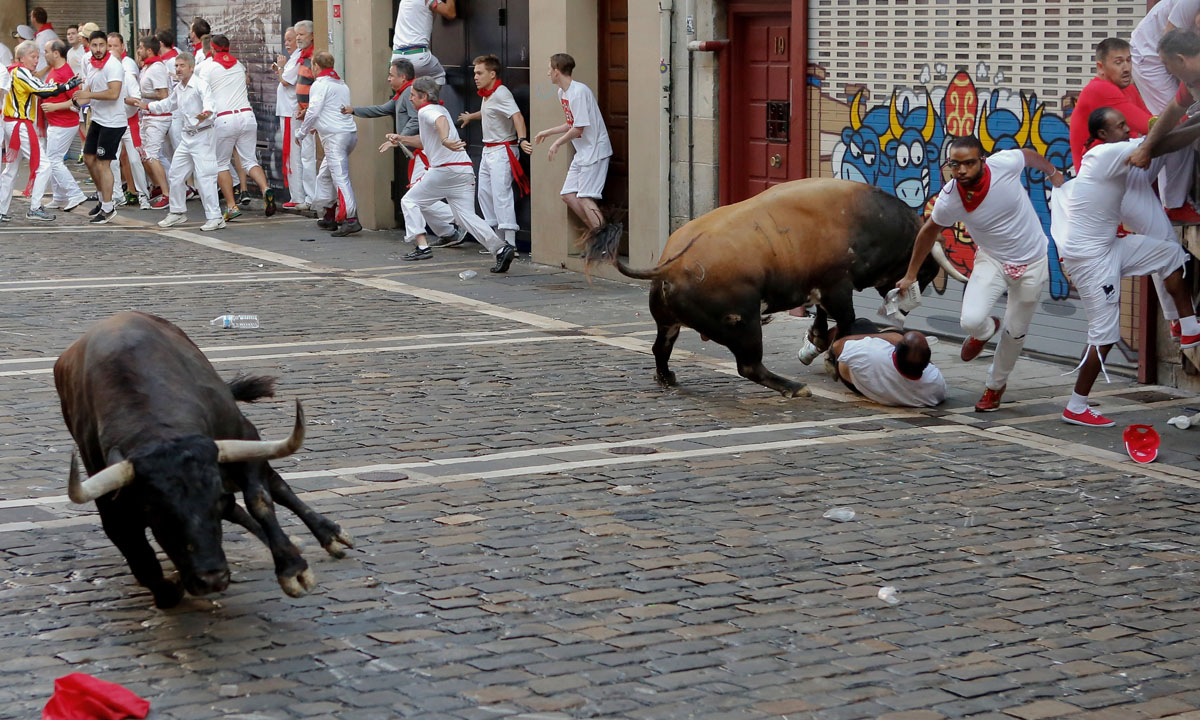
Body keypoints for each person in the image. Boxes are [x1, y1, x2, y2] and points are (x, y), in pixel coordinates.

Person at [1052, 107, 1200, 427]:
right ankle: (1076, 406)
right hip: (1091, 260)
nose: (1127, 131)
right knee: (1105, 336)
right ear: (1103, 134)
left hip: (1110, 247)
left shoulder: (1111, 153)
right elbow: (1162, 144)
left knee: (1171, 254)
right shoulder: (1106, 153)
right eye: (1120, 127)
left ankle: (1189, 329)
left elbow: (1158, 143)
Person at [894, 137, 1063, 412]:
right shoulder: (950, 199)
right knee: (970, 320)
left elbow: (1029, 156)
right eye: (955, 164)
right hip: (992, 260)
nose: (961, 170)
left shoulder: (1003, 165)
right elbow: (928, 232)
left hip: (1033, 262)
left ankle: (995, 387)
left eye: (969, 163)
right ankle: (985, 330)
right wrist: (910, 275)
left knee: (1015, 333)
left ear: (982, 160)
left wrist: (1052, 173)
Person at [399, 77, 516, 272]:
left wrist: (445, 139)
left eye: (412, 95)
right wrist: (400, 138)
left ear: (424, 96)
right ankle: (501, 248)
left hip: (444, 169)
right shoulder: (440, 108)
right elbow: (426, 139)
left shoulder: (427, 110)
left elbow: (440, 122)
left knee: (409, 201)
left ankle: (421, 246)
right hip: (463, 169)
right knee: (465, 217)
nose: (410, 99)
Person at [345, 57, 461, 246]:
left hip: (424, 154)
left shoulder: (409, 94)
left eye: (391, 76)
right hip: (419, 153)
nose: (388, 79)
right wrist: (354, 110)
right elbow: (382, 109)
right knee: (416, 197)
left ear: (403, 76)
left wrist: (399, 138)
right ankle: (448, 231)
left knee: (414, 197)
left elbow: (416, 119)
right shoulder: (402, 95)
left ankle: (457, 221)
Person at [1131, 1, 1200, 222]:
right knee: (1181, 121)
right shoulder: (1189, 76)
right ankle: (1172, 204)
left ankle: (1173, 202)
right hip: (1150, 51)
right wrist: (1149, 147)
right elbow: (1173, 112)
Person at [141, 52, 223, 231]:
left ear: (191, 67)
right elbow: (168, 104)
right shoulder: (179, 88)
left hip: (203, 135)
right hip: (188, 136)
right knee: (176, 174)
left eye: (181, 66)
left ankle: (215, 217)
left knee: (205, 177)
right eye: (176, 66)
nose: (177, 69)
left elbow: (210, 105)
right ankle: (177, 212)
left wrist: (206, 114)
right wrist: (147, 106)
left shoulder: (200, 85)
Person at [0, 40, 79, 223]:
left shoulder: (13, 70)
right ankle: (35, 207)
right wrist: (66, 87)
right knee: (44, 166)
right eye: (33, 56)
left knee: (10, 170)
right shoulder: (21, 73)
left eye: (37, 56)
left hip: (12, 124)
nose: (37, 60)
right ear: (22, 57)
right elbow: (41, 89)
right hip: (20, 125)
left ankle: (2, 209)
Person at [458, 54, 531, 252]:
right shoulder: (488, 94)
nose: (475, 76)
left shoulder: (501, 93)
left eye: (479, 73)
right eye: (474, 73)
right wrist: (471, 117)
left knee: (501, 195)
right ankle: (498, 243)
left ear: (492, 74)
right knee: (484, 193)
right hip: (489, 150)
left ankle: (510, 243)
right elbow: (490, 111)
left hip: (502, 150)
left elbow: (517, 116)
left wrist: (523, 139)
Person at [535, 53, 612, 232]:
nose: (547, 73)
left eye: (549, 69)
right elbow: (572, 123)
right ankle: (596, 231)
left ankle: (605, 241)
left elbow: (579, 128)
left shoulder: (578, 92)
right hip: (583, 151)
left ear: (556, 71)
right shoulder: (562, 92)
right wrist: (548, 132)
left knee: (585, 197)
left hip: (595, 150)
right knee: (569, 195)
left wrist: (557, 143)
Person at [202, 35, 276, 221]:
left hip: (224, 118)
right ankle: (266, 188)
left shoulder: (208, 67)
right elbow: (247, 81)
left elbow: (199, 90)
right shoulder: (239, 65)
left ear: (212, 49)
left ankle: (231, 205)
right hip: (247, 116)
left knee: (221, 164)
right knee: (249, 161)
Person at [296, 51, 360, 237]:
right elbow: (329, 110)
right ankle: (329, 215)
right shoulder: (341, 83)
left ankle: (350, 219)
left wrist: (301, 132)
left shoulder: (320, 84)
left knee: (340, 178)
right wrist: (316, 125)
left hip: (334, 137)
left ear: (316, 66)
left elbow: (314, 111)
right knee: (324, 176)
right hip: (346, 134)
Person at [825, 319, 946, 408]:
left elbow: (837, 346)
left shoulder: (871, 352)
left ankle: (815, 347)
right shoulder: (935, 384)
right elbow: (928, 366)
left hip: (852, 378)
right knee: (894, 331)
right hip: (876, 391)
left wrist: (889, 337)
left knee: (860, 325)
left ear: (896, 350)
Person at [72, 30, 126, 225]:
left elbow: (113, 94)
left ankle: (109, 207)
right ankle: (102, 198)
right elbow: (87, 88)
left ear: (107, 46)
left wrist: (89, 97)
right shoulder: (91, 64)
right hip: (98, 119)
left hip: (113, 122)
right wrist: (79, 100)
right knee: (88, 159)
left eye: (101, 45)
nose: (97, 49)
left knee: (104, 163)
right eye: (94, 46)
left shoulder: (113, 65)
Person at [37, 39, 88, 214]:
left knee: (53, 160)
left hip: (64, 124)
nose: (44, 54)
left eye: (46, 51)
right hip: (56, 123)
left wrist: (54, 107)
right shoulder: (54, 70)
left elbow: (77, 102)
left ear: (56, 53)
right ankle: (59, 197)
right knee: (53, 159)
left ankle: (75, 193)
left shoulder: (65, 72)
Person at [109, 32, 150, 210]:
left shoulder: (127, 75)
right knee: (112, 160)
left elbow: (135, 98)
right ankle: (117, 195)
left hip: (128, 123)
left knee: (134, 160)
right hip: (111, 123)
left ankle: (143, 195)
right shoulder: (103, 77)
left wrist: (127, 100)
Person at [274, 26, 307, 210]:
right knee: (291, 154)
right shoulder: (295, 58)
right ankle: (297, 195)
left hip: (290, 111)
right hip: (287, 110)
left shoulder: (299, 58)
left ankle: (299, 196)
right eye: (285, 40)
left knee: (293, 154)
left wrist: (280, 67)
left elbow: (286, 80)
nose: (287, 43)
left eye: (291, 39)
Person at [137, 35, 171, 208]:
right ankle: (161, 186)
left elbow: (163, 94)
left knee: (152, 155)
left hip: (158, 117)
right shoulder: (148, 67)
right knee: (147, 154)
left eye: (141, 48)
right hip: (148, 116)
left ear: (149, 50)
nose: (138, 51)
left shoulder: (156, 68)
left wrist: (140, 98)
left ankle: (167, 194)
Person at [391, 0, 455, 84]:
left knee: (410, 88)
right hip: (417, 56)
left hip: (396, 57)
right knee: (439, 75)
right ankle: (429, 97)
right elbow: (450, 13)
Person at [292, 21, 318, 212]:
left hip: (312, 118)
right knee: (307, 158)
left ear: (312, 36)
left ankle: (312, 199)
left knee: (310, 159)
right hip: (305, 115)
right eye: (297, 35)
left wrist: (307, 110)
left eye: (301, 35)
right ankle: (310, 197)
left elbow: (318, 91)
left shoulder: (313, 58)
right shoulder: (303, 57)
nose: (298, 38)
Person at [29, 8, 59, 76]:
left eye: (31, 16)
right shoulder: (42, 35)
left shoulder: (47, 36)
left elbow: (54, 57)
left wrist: (41, 72)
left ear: (34, 19)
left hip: (47, 76)